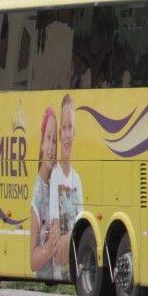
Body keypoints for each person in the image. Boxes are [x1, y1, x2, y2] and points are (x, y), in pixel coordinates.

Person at [49, 93, 83, 280]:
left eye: (70, 127)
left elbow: (80, 225)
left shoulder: (77, 180)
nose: (67, 133)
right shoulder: (55, 177)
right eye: (64, 127)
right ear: (60, 134)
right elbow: (57, 238)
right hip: (58, 267)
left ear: (74, 132)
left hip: (71, 261)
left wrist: (68, 235)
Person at [30, 107, 60, 279]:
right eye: (48, 138)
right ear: (41, 143)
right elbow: (33, 262)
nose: (51, 147)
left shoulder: (53, 183)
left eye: (54, 141)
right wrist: (48, 249)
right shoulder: (38, 190)